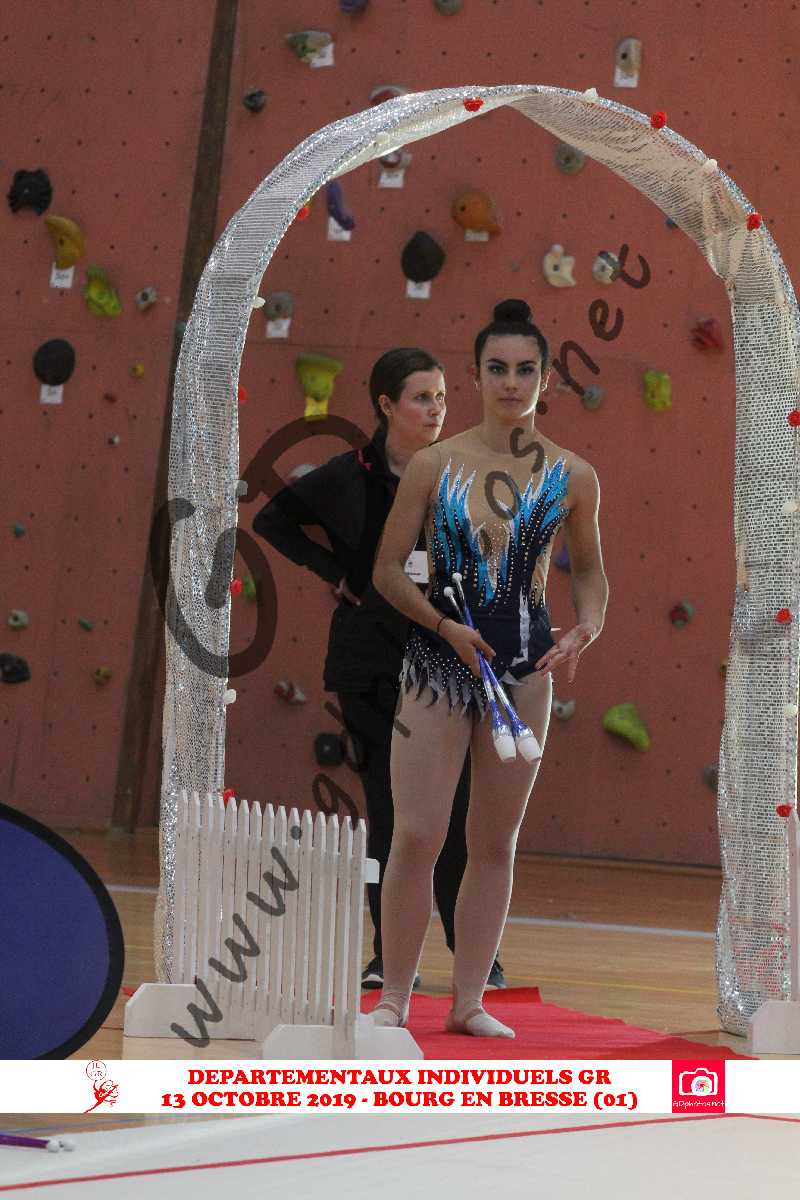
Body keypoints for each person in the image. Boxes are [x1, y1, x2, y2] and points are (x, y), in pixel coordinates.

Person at [371, 299, 609, 1037]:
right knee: (417, 835)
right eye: (497, 368)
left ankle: (469, 1000)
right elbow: (387, 571)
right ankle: (393, 998)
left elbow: (589, 572)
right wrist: (444, 626)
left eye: (525, 370)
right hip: (437, 666)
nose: (511, 382)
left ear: (545, 379)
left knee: (494, 842)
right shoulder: (434, 464)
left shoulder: (572, 475)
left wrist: (588, 626)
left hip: (524, 669)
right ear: (474, 377)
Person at [252, 347, 507, 991]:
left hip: (446, 663)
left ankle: (474, 956)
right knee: (390, 814)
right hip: (369, 662)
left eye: (442, 396)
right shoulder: (345, 476)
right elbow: (273, 520)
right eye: (422, 397)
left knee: (456, 810)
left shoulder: (461, 471)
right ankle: (389, 959)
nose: (437, 409)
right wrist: (334, 571)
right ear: (387, 405)